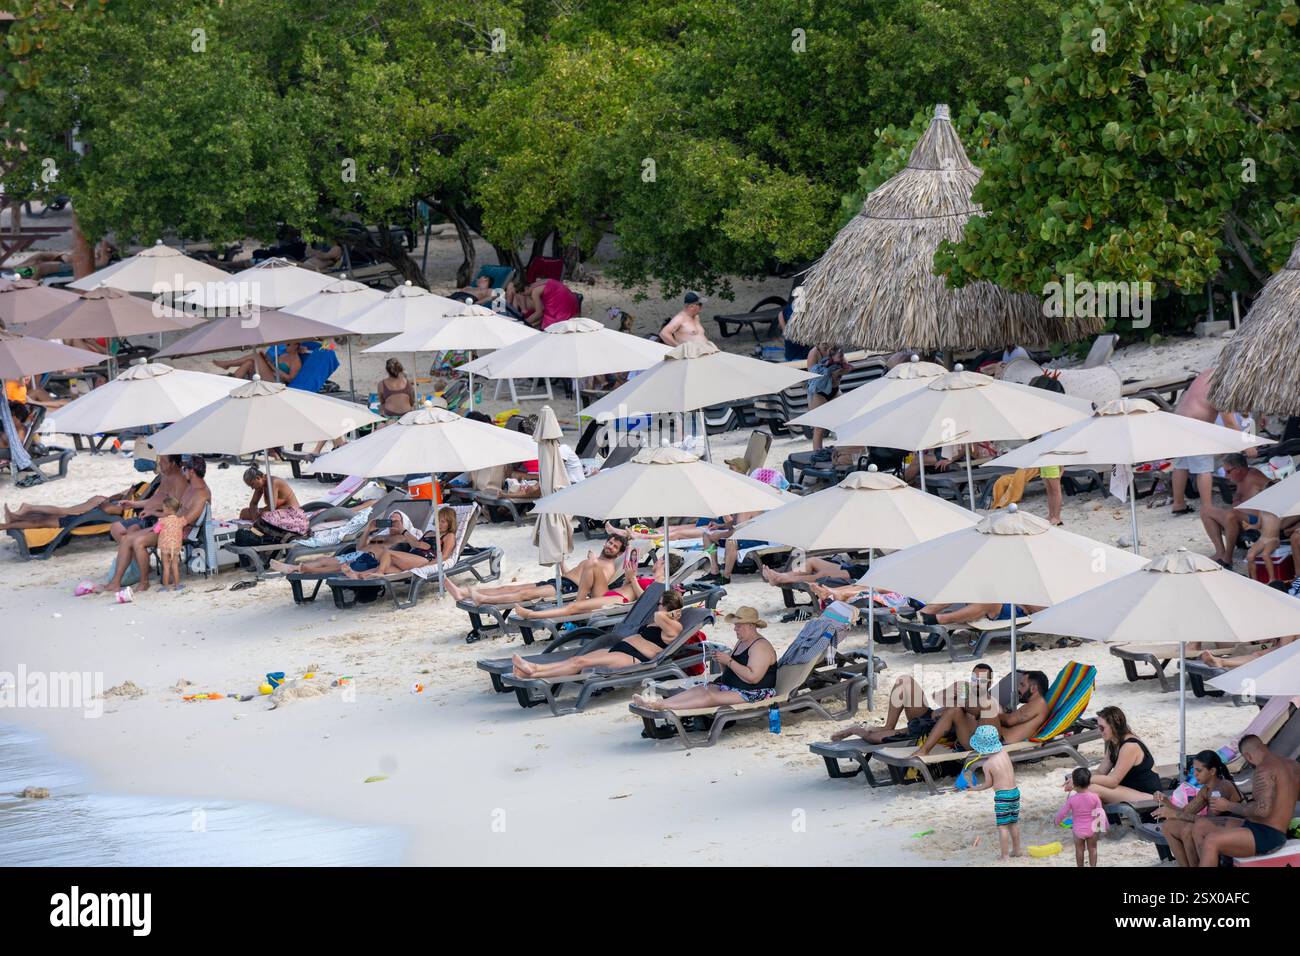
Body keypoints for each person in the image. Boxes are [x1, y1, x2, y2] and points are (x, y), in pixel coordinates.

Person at [511, 589, 685, 680]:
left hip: (634, 657)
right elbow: (657, 617)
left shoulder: (673, 626)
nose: (657, 606)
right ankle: (533, 668)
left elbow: (658, 615)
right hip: (622, 649)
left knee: (581, 662)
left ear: (668, 608)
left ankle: (534, 674)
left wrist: (667, 614)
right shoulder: (661, 620)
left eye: (660, 603)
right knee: (575, 660)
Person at [632, 605, 777, 711]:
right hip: (736, 687)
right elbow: (732, 671)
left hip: (754, 693)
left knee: (710, 697)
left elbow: (753, 678)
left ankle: (661, 706)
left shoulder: (760, 647)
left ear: (751, 626)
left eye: (738, 626)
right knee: (702, 689)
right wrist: (722, 662)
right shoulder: (743, 641)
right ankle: (660, 702)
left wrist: (729, 661)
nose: (735, 629)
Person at [104, 455, 210, 593]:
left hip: (179, 531)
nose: (183, 472)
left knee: (138, 542)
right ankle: (115, 583)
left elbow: (185, 520)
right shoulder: (191, 488)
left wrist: (161, 523)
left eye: (185, 469)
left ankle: (144, 582)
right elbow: (177, 513)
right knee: (126, 539)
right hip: (171, 524)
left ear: (191, 471)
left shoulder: (201, 494)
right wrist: (156, 515)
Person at [1191, 734, 1300, 866]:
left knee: (1211, 841)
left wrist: (1228, 806)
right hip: (1261, 828)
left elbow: (1262, 810)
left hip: (1268, 836)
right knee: (1200, 825)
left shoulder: (1264, 769)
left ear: (1248, 756)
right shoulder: (1294, 765)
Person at [443, 533, 630, 606]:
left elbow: (595, 586)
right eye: (610, 542)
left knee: (525, 594)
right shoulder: (596, 560)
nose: (610, 546)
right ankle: (465, 592)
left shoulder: (607, 566)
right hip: (562, 581)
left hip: (568, 589)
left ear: (619, 552)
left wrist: (592, 562)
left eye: (614, 546)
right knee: (510, 587)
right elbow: (571, 574)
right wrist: (562, 562)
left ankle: (483, 599)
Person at [832, 664, 996, 745]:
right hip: (928, 715)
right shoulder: (964, 688)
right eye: (974, 679)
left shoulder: (986, 703)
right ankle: (888, 724)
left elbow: (971, 720)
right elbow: (935, 696)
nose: (976, 683)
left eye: (981, 681)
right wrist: (949, 693)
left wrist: (960, 702)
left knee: (874, 738)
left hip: (931, 730)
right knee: (904, 681)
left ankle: (854, 730)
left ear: (989, 682)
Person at [0, 457, 180, 530]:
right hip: (106, 507)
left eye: (163, 461)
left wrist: (127, 500)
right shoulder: (154, 485)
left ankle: (16, 518)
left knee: (58, 514)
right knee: (60, 514)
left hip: (107, 509)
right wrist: (128, 499)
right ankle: (19, 516)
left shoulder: (159, 487)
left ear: (172, 464)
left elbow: (116, 507)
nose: (160, 464)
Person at [1170, 367, 1252, 515]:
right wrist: (1246, 445)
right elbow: (1230, 423)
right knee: (1204, 468)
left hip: (1178, 420)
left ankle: (1178, 503)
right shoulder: (1223, 384)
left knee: (1181, 465)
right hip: (1196, 425)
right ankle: (1207, 507)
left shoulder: (1208, 373)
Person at [916, 670, 1050, 757]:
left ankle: (964, 702)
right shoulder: (1033, 705)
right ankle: (923, 751)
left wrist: (996, 712)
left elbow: (1009, 721)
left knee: (989, 703)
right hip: (983, 741)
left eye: (1022, 685)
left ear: (1033, 688)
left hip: (997, 743)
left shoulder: (1039, 704)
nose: (1018, 688)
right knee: (954, 711)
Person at [512, 551, 680, 620]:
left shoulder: (661, 582)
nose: (656, 561)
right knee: (592, 564)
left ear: (664, 563)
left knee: (574, 607)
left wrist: (633, 579)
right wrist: (629, 578)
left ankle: (532, 615)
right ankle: (579, 599)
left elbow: (647, 600)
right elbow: (628, 587)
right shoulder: (650, 576)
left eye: (659, 559)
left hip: (618, 601)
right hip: (611, 593)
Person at [1153, 750, 1244, 867]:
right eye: (1194, 770)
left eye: (1199, 770)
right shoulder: (1205, 790)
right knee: (1168, 826)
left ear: (1212, 771)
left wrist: (1174, 814)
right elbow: (1185, 812)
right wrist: (1165, 801)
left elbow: (1208, 822)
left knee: (1189, 829)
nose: (1195, 774)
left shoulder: (1222, 788)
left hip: (1235, 830)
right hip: (1217, 827)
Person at [1069, 705, 1160, 805]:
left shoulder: (1130, 746)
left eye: (1102, 728)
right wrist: (1077, 777)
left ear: (1114, 726)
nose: (1099, 731)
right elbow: (1100, 771)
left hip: (1150, 796)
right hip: (1132, 790)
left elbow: (1113, 781)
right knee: (1086, 785)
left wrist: (1083, 779)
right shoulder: (1114, 743)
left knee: (1090, 788)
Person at [338, 506, 460, 579]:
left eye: (443, 522)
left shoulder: (449, 536)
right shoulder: (429, 532)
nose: (439, 524)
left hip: (424, 560)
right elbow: (415, 544)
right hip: (411, 558)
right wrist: (405, 533)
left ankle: (379, 573)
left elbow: (444, 556)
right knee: (383, 567)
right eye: (438, 520)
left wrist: (426, 567)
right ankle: (357, 575)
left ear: (450, 523)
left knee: (388, 554)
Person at [1201, 453, 1271, 568]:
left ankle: (1227, 559)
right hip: (1239, 516)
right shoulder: (1239, 477)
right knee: (1205, 511)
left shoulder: (1255, 477)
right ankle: (1220, 552)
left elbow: (1274, 490)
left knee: (1231, 515)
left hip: (1254, 520)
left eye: (1228, 471)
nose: (1227, 476)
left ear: (1238, 469)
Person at [965, 724, 1022, 860]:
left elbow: (988, 784)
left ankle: (1005, 855)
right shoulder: (1004, 753)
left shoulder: (988, 764)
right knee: (1013, 823)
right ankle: (1017, 850)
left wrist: (974, 788)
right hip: (1015, 792)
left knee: (1002, 826)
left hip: (1003, 796)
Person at [1028, 374, 1066, 525]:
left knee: (1055, 487)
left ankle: (1056, 516)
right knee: (1048, 487)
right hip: (1044, 452)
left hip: (1052, 453)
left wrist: (1062, 461)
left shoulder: (1056, 417)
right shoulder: (1045, 416)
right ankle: (1051, 515)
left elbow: (1061, 436)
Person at [806, 343, 852, 454]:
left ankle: (844, 452)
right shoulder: (814, 352)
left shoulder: (837, 350)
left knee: (845, 422)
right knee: (819, 428)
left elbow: (847, 368)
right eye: (823, 343)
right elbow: (811, 375)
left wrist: (840, 369)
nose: (826, 344)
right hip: (819, 392)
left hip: (835, 390)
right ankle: (818, 455)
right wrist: (828, 371)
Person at [1055, 767, 1107, 866]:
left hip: (1078, 829)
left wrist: (1057, 821)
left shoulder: (1072, 799)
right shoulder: (1095, 797)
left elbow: (1063, 812)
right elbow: (1100, 813)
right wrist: (1102, 827)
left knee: (1079, 850)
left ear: (1074, 784)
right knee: (1093, 849)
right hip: (1092, 829)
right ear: (1089, 782)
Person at [215, 342, 304, 384]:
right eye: (285, 344)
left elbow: (290, 379)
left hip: (276, 382)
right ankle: (232, 381)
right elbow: (271, 365)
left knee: (255, 356)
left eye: (288, 344)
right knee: (249, 363)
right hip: (270, 375)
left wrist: (271, 366)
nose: (285, 345)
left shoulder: (296, 362)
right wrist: (266, 359)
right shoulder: (284, 354)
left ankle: (228, 364)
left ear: (296, 345)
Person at [154, 498, 186, 592]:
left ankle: (165, 587)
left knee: (166, 567)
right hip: (175, 546)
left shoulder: (162, 521)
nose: (163, 509)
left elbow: (156, 530)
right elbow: (184, 525)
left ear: (168, 509)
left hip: (165, 546)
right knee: (175, 566)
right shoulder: (180, 520)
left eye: (163, 508)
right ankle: (177, 585)